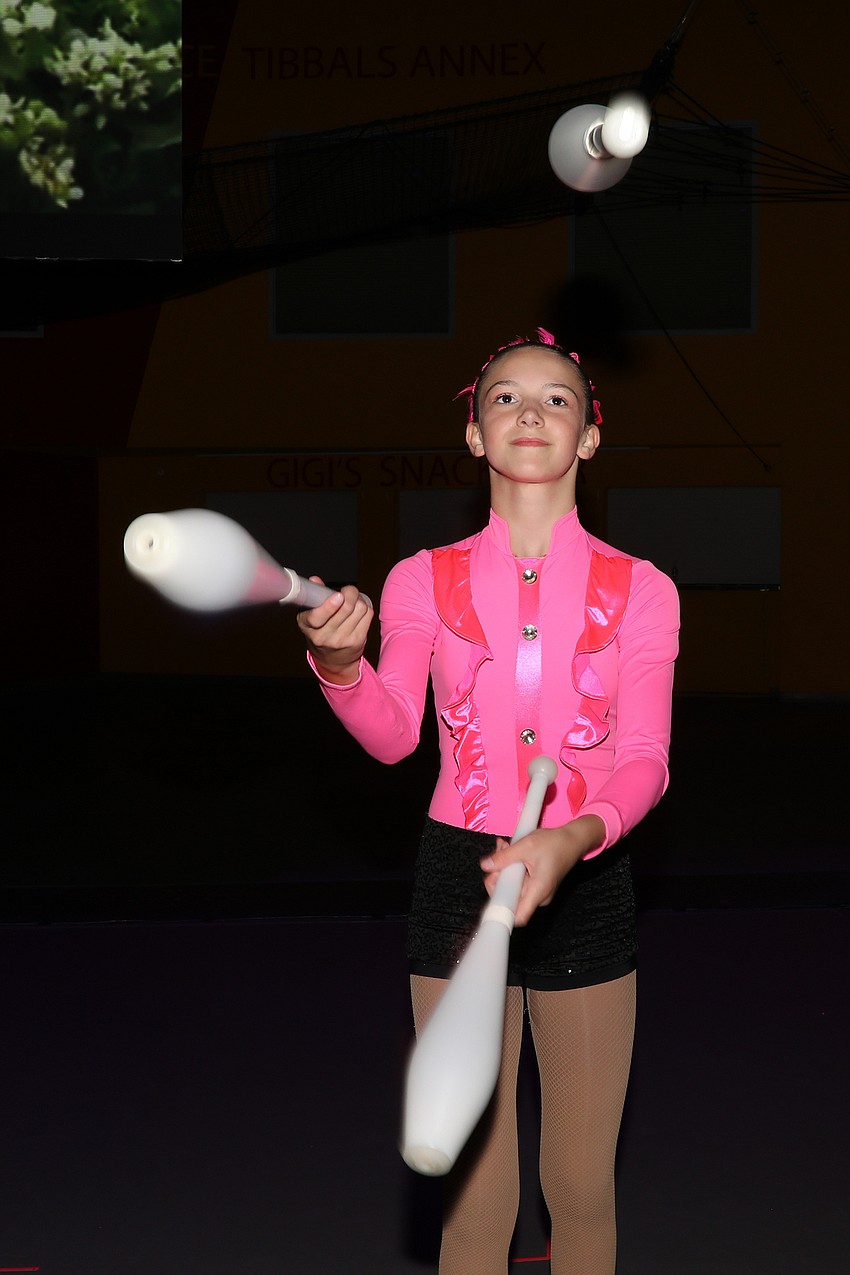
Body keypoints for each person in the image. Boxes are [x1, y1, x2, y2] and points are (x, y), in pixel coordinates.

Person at [297, 329, 679, 1275]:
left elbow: (645, 760)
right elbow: (392, 736)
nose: (531, 413)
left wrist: (574, 839)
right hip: (456, 883)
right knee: (475, 1197)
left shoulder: (645, 590)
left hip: (585, 883)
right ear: (473, 434)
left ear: (590, 435)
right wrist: (340, 664)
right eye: (504, 398)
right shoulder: (420, 578)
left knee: (580, 1187)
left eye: (558, 399)